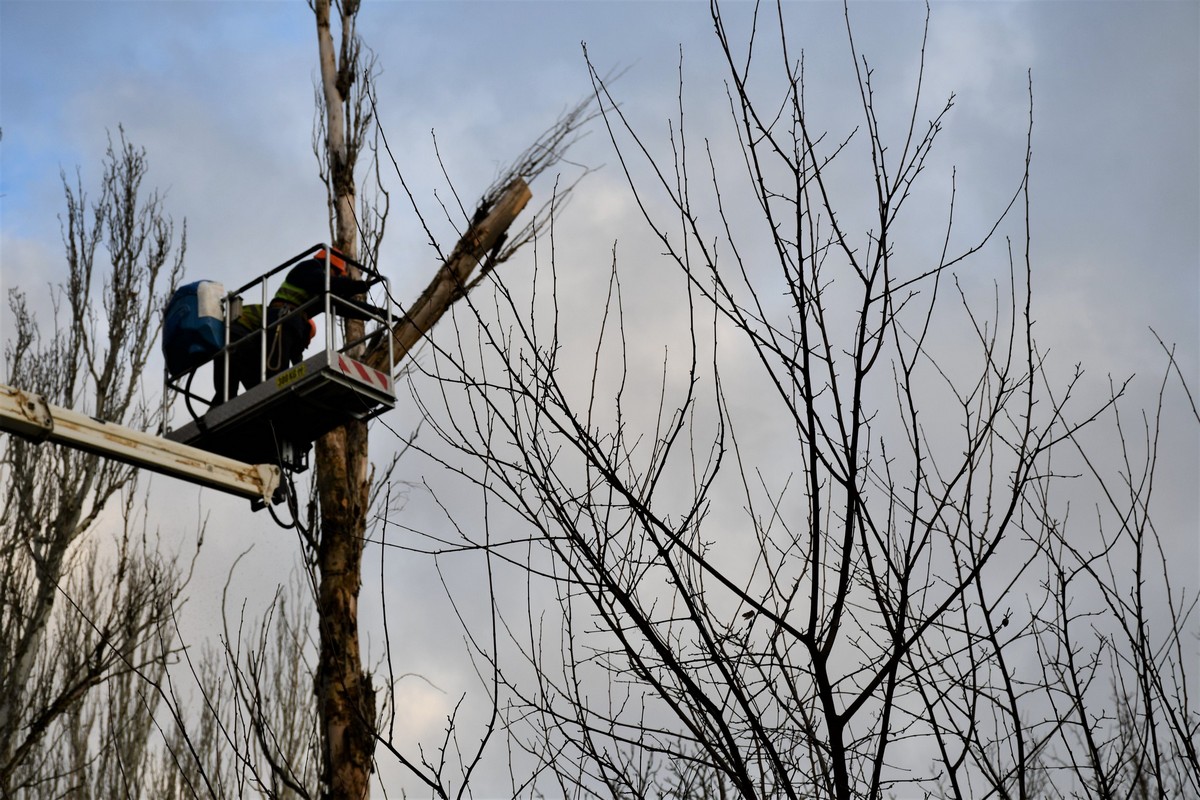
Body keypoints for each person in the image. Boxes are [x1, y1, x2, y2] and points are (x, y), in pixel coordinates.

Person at [213, 249, 379, 402]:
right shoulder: (308, 268)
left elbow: (342, 305)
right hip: (281, 319)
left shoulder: (313, 296)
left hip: (249, 334)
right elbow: (327, 284)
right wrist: (356, 286)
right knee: (274, 375)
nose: (306, 345)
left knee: (248, 382)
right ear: (329, 265)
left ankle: (222, 406)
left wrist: (376, 312)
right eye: (336, 274)